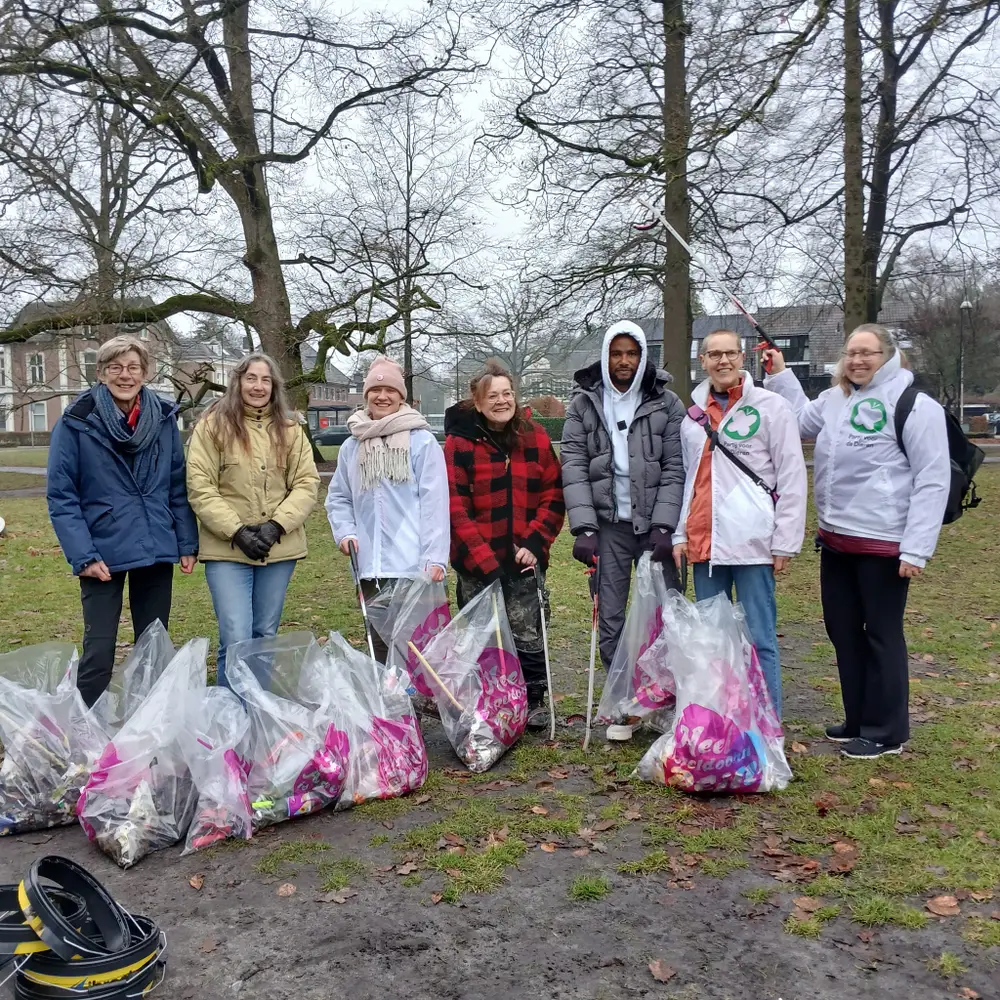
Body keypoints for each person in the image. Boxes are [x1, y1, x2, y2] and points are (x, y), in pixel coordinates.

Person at [763, 323, 950, 759]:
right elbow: (794, 421)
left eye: (867, 352)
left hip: (884, 544)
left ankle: (887, 732)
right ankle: (858, 718)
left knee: (882, 634)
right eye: (851, 353)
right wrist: (779, 374)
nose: (858, 360)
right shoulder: (835, 399)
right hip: (836, 539)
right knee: (843, 631)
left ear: (888, 356)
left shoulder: (914, 405)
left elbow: (932, 479)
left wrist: (916, 547)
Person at [47, 335, 199, 707]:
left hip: (155, 543)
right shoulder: (76, 421)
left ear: (145, 373)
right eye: (115, 367)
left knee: (154, 646)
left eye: (133, 367)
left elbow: (176, 485)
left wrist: (186, 542)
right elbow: (62, 496)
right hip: (101, 551)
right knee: (99, 650)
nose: (125, 375)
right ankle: (82, 732)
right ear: (100, 373)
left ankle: (151, 728)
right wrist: (83, 556)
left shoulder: (163, 418)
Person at [672, 330, 807, 718]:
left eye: (730, 353)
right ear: (703, 360)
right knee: (712, 641)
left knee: (759, 638)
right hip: (706, 545)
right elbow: (689, 480)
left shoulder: (771, 407)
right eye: (714, 354)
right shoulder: (692, 417)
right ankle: (723, 719)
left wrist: (785, 540)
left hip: (753, 543)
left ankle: (768, 722)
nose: (723, 361)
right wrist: (681, 532)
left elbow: (792, 475)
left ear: (742, 356)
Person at [561, 320, 685, 731]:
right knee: (611, 617)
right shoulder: (583, 405)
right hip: (609, 525)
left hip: (653, 528)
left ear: (642, 357)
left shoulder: (665, 403)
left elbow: (674, 468)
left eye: (632, 353)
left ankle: (666, 698)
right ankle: (626, 702)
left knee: (664, 613)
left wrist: (666, 525)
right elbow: (574, 467)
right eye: (617, 353)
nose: (624, 361)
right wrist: (584, 528)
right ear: (605, 356)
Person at [444, 360, 565, 730]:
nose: (501, 401)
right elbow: (455, 507)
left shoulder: (535, 436)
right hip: (476, 560)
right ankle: (490, 698)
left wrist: (534, 540)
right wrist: (484, 559)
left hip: (523, 557)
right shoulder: (459, 442)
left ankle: (534, 699)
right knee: (481, 636)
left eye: (507, 393)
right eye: (492, 395)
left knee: (528, 631)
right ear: (478, 402)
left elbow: (553, 494)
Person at [186, 353, 319, 688]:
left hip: (278, 547)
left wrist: (276, 526)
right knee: (235, 633)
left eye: (265, 380)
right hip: (227, 548)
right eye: (251, 378)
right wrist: (237, 531)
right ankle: (231, 715)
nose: (258, 386)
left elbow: (306, 482)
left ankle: (257, 712)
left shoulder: (290, 429)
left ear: (274, 386)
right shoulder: (213, 426)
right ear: (238, 382)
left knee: (264, 633)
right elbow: (200, 484)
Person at [325, 356, 449, 664]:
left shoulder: (421, 442)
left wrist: (435, 557)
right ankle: (389, 705)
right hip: (371, 566)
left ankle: (419, 705)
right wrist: (345, 533)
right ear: (366, 394)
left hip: (413, 564)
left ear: (401, 395)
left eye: (390, 389)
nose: (382, 396)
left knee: (419, 644)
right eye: (375, 389)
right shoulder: (351, 446)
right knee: (379, 642)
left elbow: (435, 502)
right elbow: (339, 496)